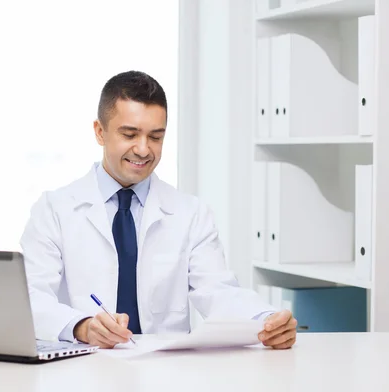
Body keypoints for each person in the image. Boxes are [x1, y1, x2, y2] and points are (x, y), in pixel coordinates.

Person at [20, 70, 297, 349]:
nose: (143, 149)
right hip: (84, 365)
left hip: (164, 370)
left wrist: (267, 321)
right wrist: (81, 326)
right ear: (100, 132)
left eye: (155, 137)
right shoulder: (54, 209)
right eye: (130, 134)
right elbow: (31, 297)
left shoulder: (190, 213)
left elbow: (217, 290)